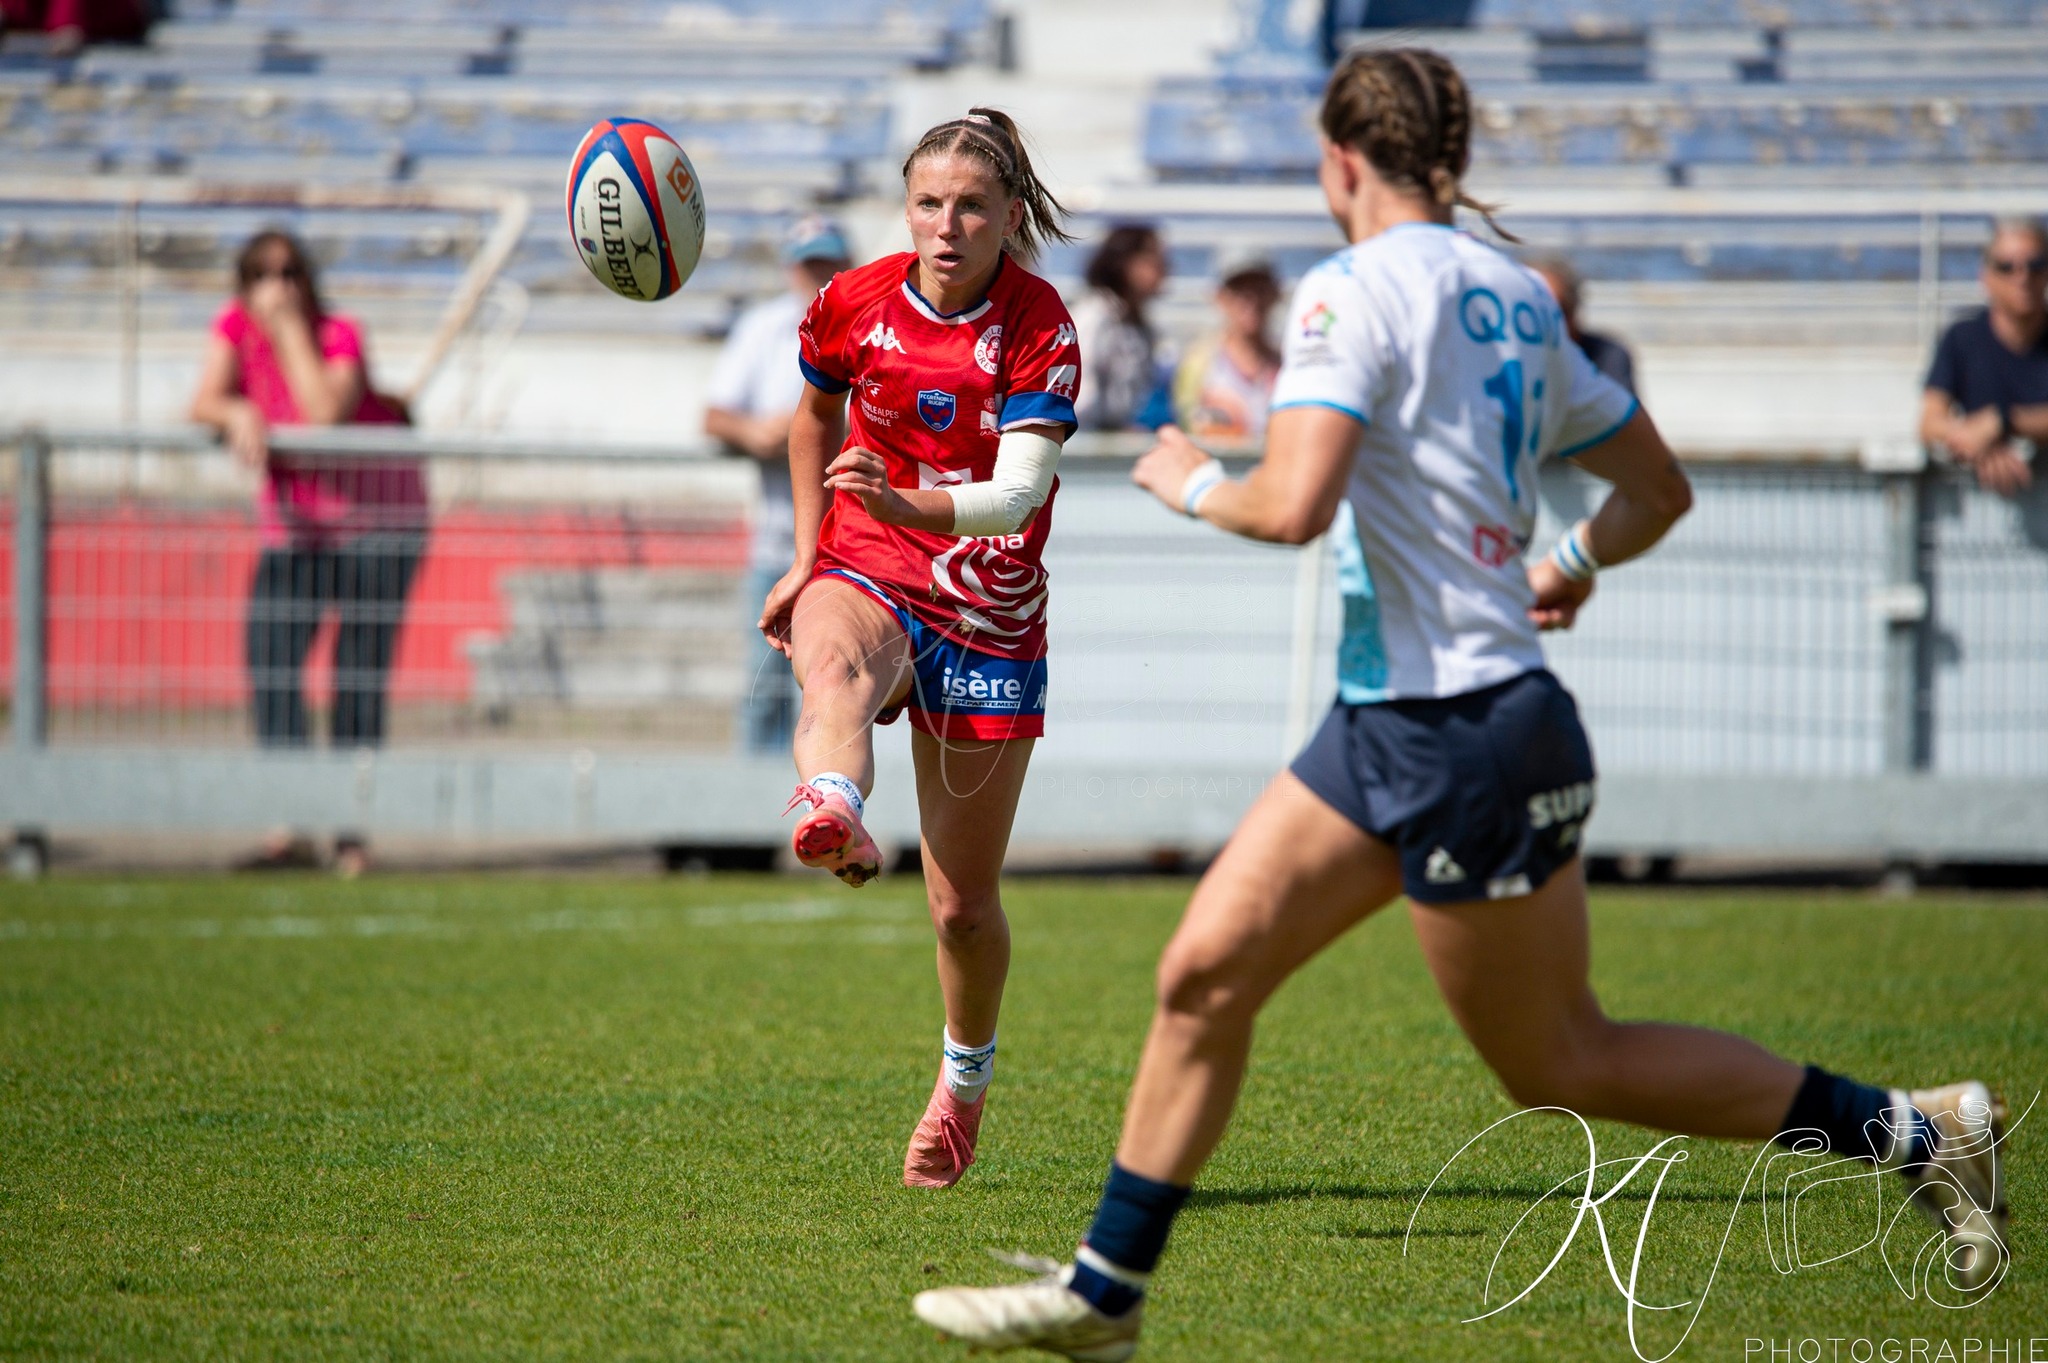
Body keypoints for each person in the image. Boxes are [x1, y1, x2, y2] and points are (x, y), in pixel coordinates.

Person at [913, 49, 2008, 1361]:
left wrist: (1187, 477)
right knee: (1204, 973)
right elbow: (1658, 489)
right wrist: (1566, 566)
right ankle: (1107, 1291)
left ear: (1339, 162)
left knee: (1562, 1059)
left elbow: (1293, 503)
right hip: (1407, 720)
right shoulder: (1515, 295)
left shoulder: (1350, 292)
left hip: (1456, 731)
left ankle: (1919, 1128)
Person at [756, 108, 1082, 1190]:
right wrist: (808, 556)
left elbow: (1018, 494)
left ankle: (963, 1079)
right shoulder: (851, 299)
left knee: (960, 906)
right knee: (832, 664)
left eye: (972, 205)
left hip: (986, 612)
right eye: (928, 204)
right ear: (906, 209)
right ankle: (832, 808)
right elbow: (810, 421)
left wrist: (907, 496)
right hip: (862, 562)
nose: (947, 225)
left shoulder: (1039, 325)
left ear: (1007, 215)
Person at [190, 230, 426, 757]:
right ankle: (289, 811)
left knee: (357, 671)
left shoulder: (340, 333)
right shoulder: (234, 327)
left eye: (289, 272)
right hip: (298, 526)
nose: (277, 286)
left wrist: (290, 329)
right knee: (272, 658)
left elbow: (324, 414)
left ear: (309, 280)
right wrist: (236, 410)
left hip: (377, 524)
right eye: (261, 274)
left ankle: (350, 827)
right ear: (244, 285)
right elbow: (203, 400)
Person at [704, 216, 856, 755]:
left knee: (844, 688)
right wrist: (762, 432)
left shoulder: (868, 325)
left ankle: (837, 810)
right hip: (779, 540)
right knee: (765, 685)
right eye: (811, 264)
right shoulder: (765, 327)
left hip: (855, 551)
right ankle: (756, 820)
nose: (820, 275)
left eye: (830, 263)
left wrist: (802, 435)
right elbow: (716, 414)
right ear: (793, 268)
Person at [1920, 216, 2048, 498]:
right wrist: (1974, 439)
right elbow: (1929, 423)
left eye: (2035, 266)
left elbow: (1995, 424)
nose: (2022, 276)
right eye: (2007, 267)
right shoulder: (1962, 338)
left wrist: (2002, 422)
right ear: (1985, 276)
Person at [1170, 257, 1281, 440]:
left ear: (1275, 294)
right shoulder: (1199, 363)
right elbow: (1187, 426)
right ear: (1220, 297)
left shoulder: (1290, 365)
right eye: (1240, 291)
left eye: (1259, 289)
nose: (1251, 300)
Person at [1071, 223, 1167, 432]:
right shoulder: (1094, 317)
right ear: (1124, 263)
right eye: (1154, 260)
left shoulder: (1141, 326)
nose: (1164, 269)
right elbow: (1080, 396)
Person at [1531, 254, 1636, 395]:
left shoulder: (1605, 355)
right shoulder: (1505, 360)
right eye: (1535, 314)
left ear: (1574, 313)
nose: (1546, 325)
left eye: (1557, 312)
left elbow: (1624, 414)